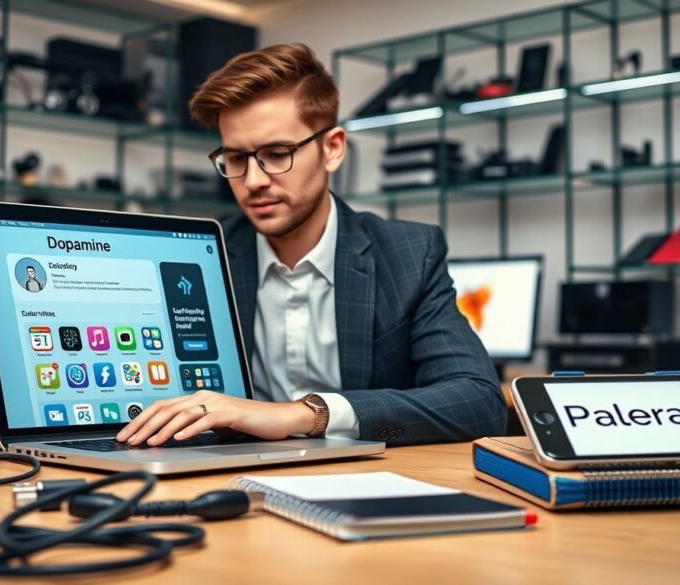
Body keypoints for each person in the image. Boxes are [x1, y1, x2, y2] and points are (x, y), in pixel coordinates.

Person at [117, 44, 505, 447]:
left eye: (276, 154)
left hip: (363, 476)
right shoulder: (198, 259)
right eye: (235, 159)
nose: (253, 181)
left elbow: (478, 401)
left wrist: (304, 414)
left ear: (332, 149)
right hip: (224, 472)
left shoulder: (409, 254)